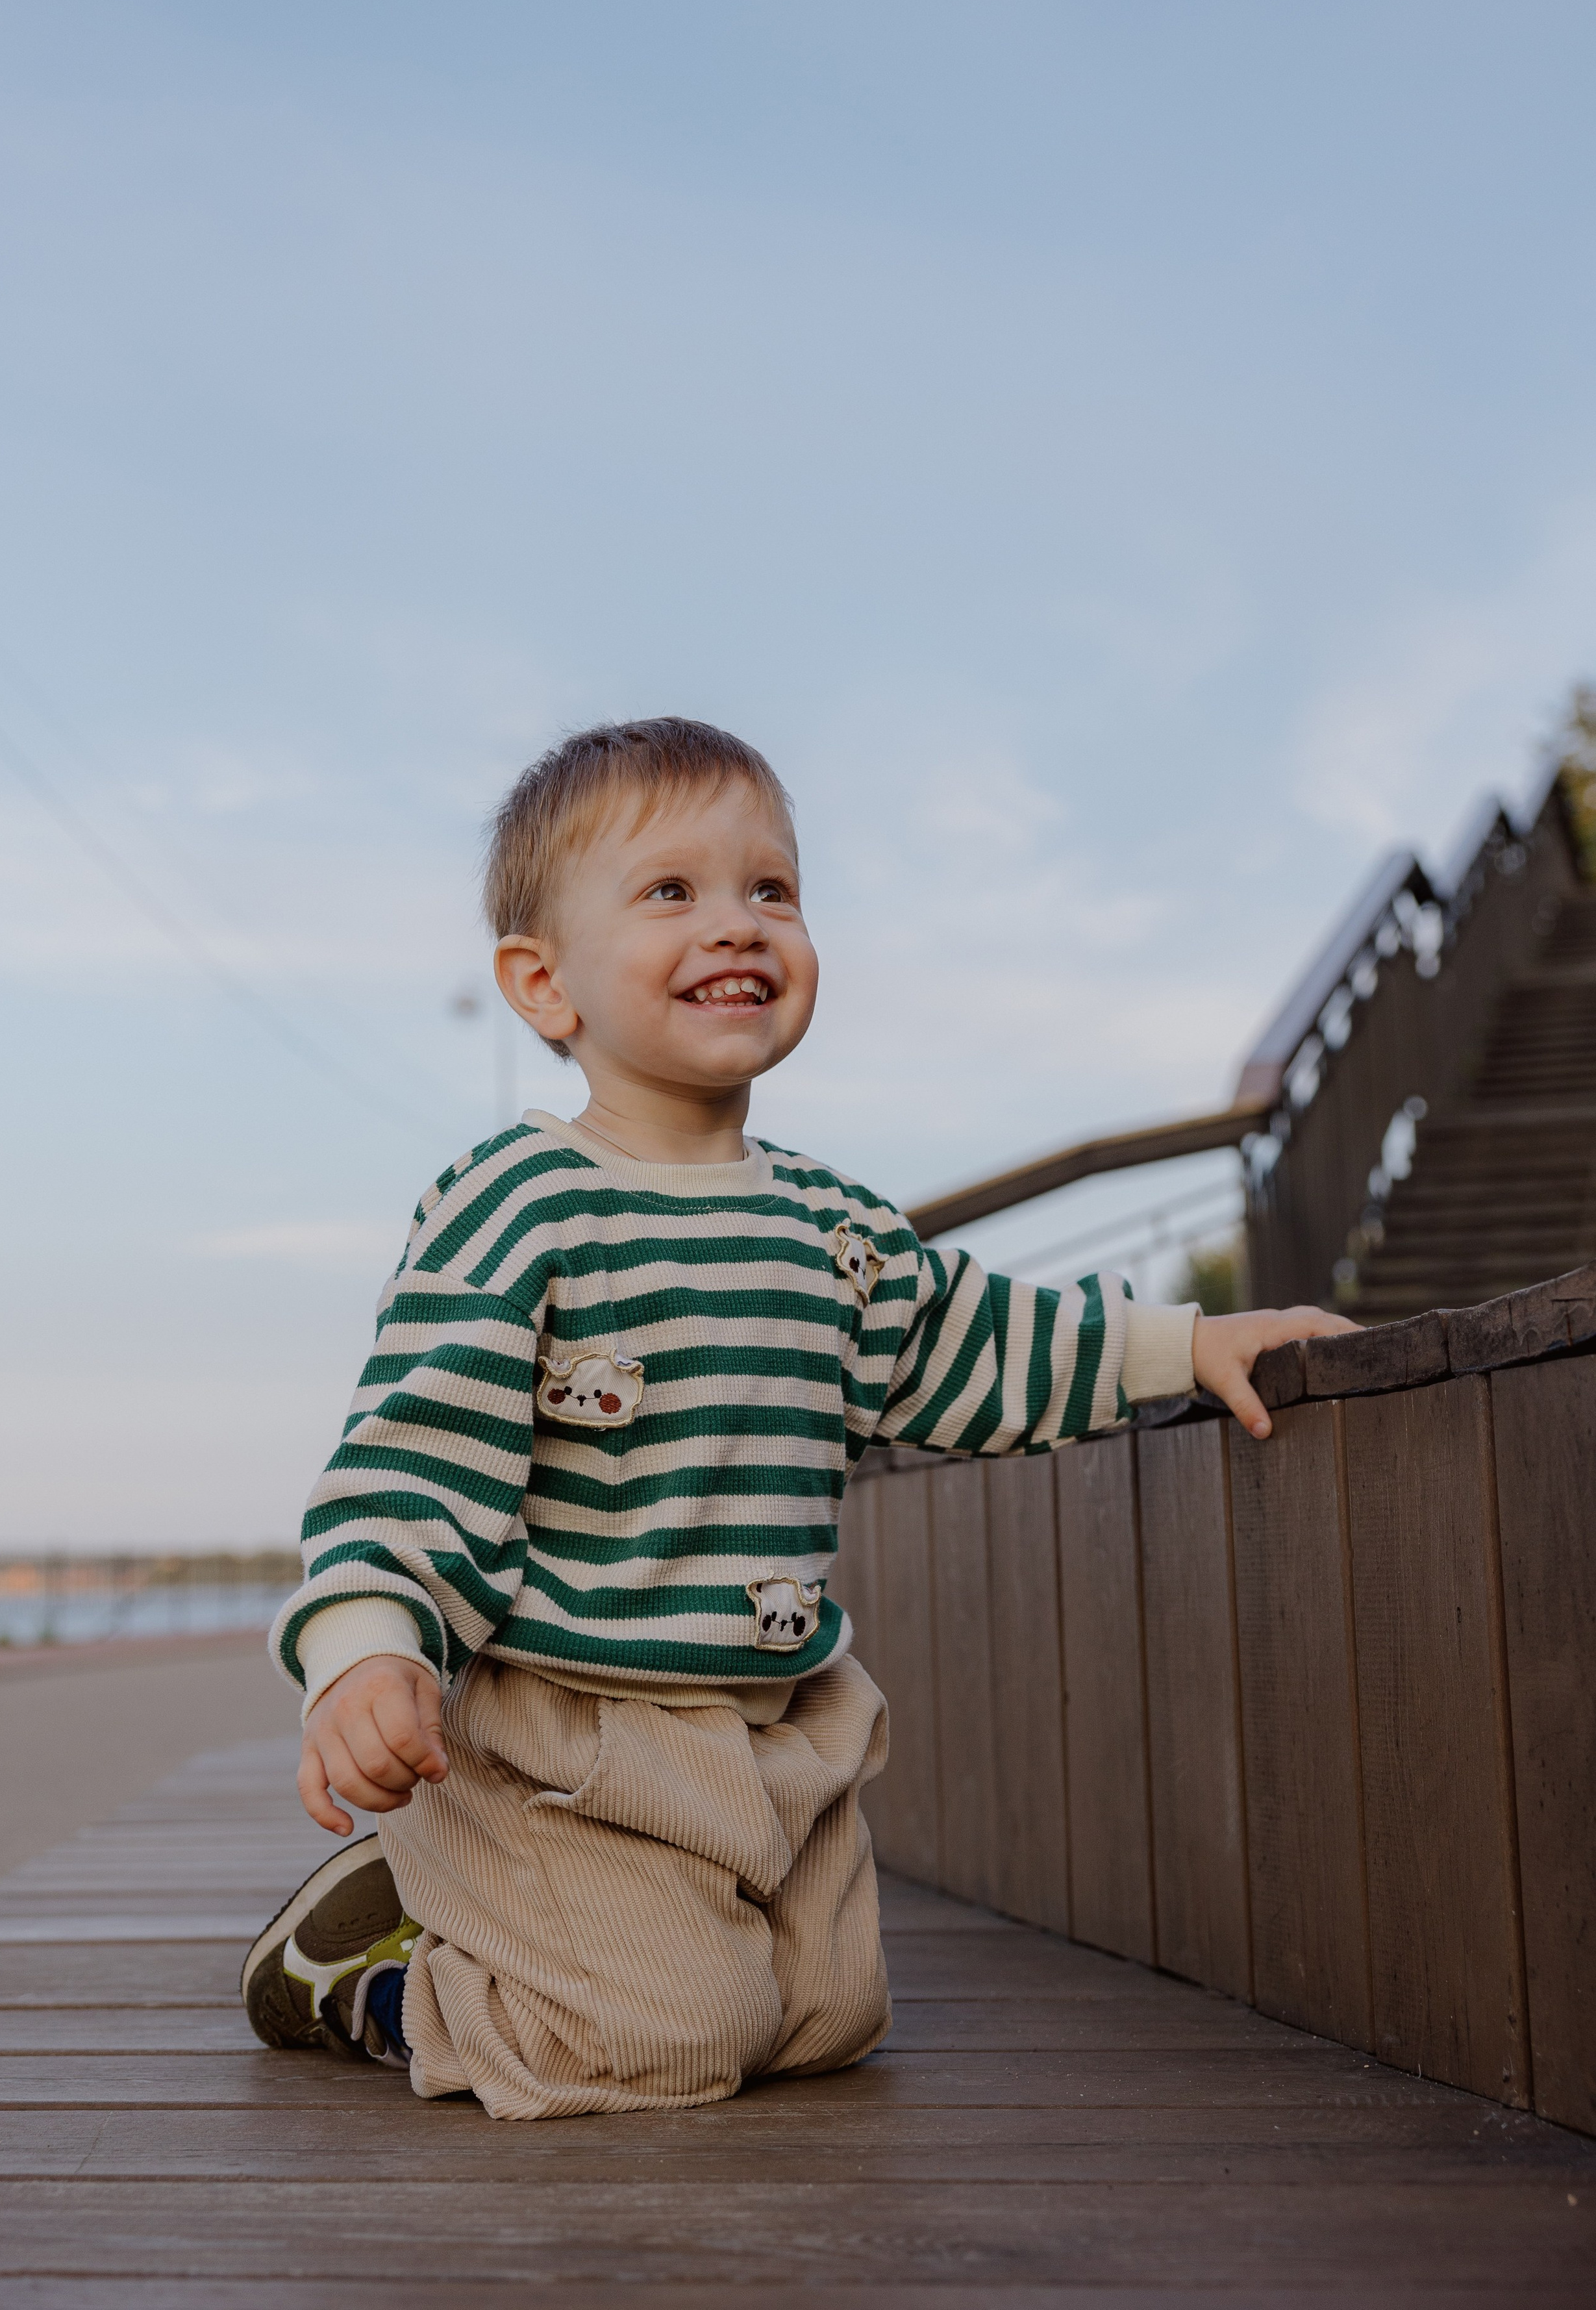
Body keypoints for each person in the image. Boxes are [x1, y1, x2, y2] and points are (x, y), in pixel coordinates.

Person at [242, 716, 1349, 2116]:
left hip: (771, 1731)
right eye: (670, 892)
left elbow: (971, 1335)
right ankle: (381, 1978)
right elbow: (413, 1460)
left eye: (771, 889)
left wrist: (1184, 1343)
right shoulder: (520, 1202)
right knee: (665, 2041)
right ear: (541, 983)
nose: (738, 924)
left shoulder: (829, 1226)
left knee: (826, 2020)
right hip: (561, 1742)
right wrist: (363, 1651)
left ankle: (507, 1930)